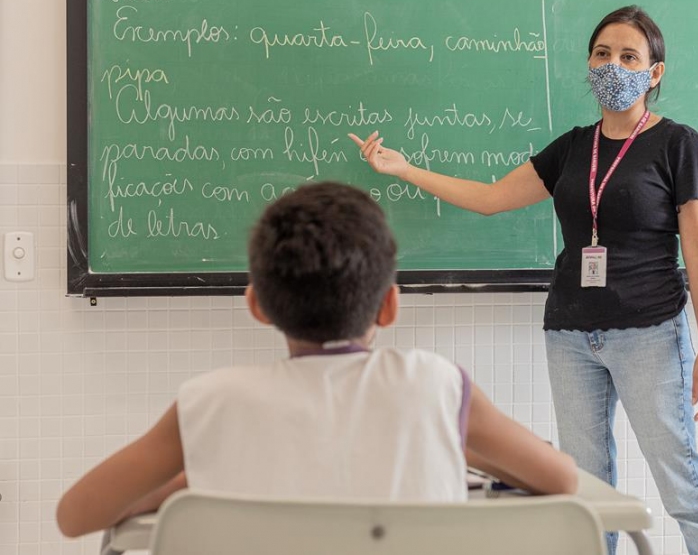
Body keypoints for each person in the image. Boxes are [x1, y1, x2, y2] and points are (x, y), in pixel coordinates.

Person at [349, 5, 698, 554]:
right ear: (588, 62)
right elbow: (489, 199)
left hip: (650, 333)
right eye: (603, 54)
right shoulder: (573, 147)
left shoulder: (678, 143)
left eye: (630, 56)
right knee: (586, 490)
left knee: (681, 483)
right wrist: (405, 168)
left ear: (654, 73)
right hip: (570, 334)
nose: (613, 66)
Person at [56, 181, 578, 539]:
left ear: (257, 304)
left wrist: (199, 478)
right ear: (390, 304)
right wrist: (453, 440)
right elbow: (562, 480)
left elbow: (75, 515)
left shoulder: (211, 403)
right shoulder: (437, 387)